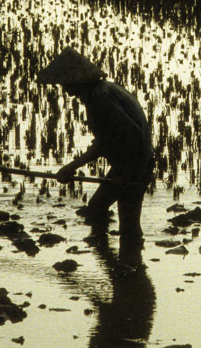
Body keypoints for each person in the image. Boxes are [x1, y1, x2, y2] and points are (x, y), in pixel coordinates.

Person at [38, 47, 153, 249]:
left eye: (66, 83)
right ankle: (115, 265)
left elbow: (131, 135)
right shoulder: (103, 92)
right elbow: (106, 141)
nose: (64, 88)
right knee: (98, 209)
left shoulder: (101, 99)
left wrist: (124, 174)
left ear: (77, 81)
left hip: (133, 166)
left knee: (127, 224)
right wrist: (72, 167)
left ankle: (127, 268)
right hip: (130, 164)